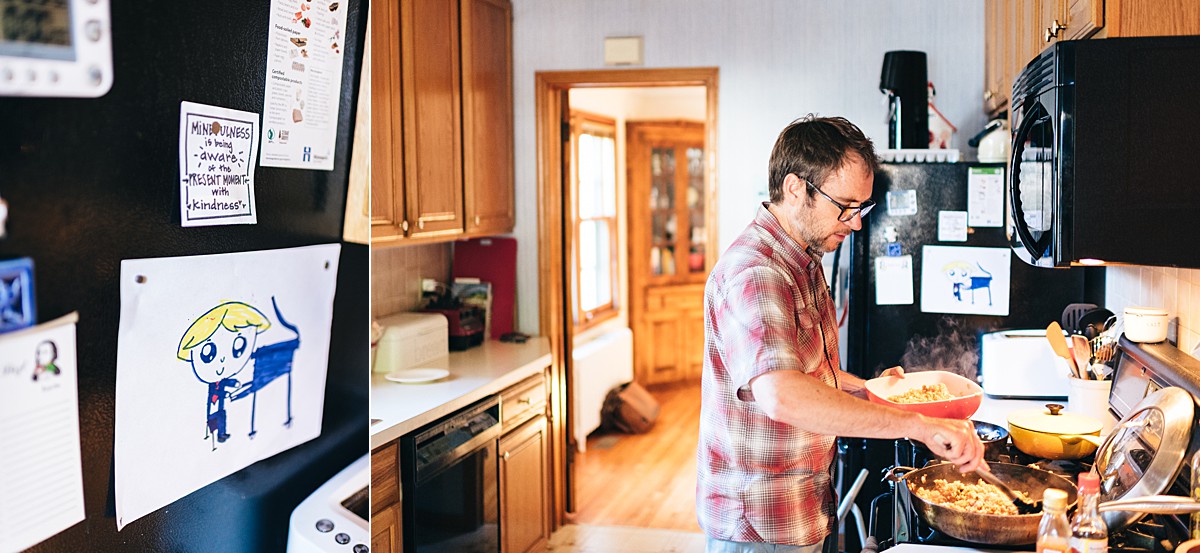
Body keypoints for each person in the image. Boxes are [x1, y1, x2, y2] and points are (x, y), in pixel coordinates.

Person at [697, 115, 986, 553]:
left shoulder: (803, 260)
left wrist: (875, 392)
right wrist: (915, 426)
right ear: (796, 188)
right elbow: (783, 394)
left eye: (862, 208)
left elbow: (811, 375)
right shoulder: (756, 273)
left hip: (802, 507)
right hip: (761, 525)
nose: (855, 223)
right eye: (845, 206)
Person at [177, 301, 271, 450]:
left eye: (238, 347)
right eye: (208, 353)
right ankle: (214, 434)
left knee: (222, 415)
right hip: (213, 402)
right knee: (213, 418)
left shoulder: (221, 379)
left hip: (219, 403)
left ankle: (221, 434)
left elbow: (227, 381)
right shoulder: (211, 382)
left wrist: (234, 384)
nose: (222, 360)